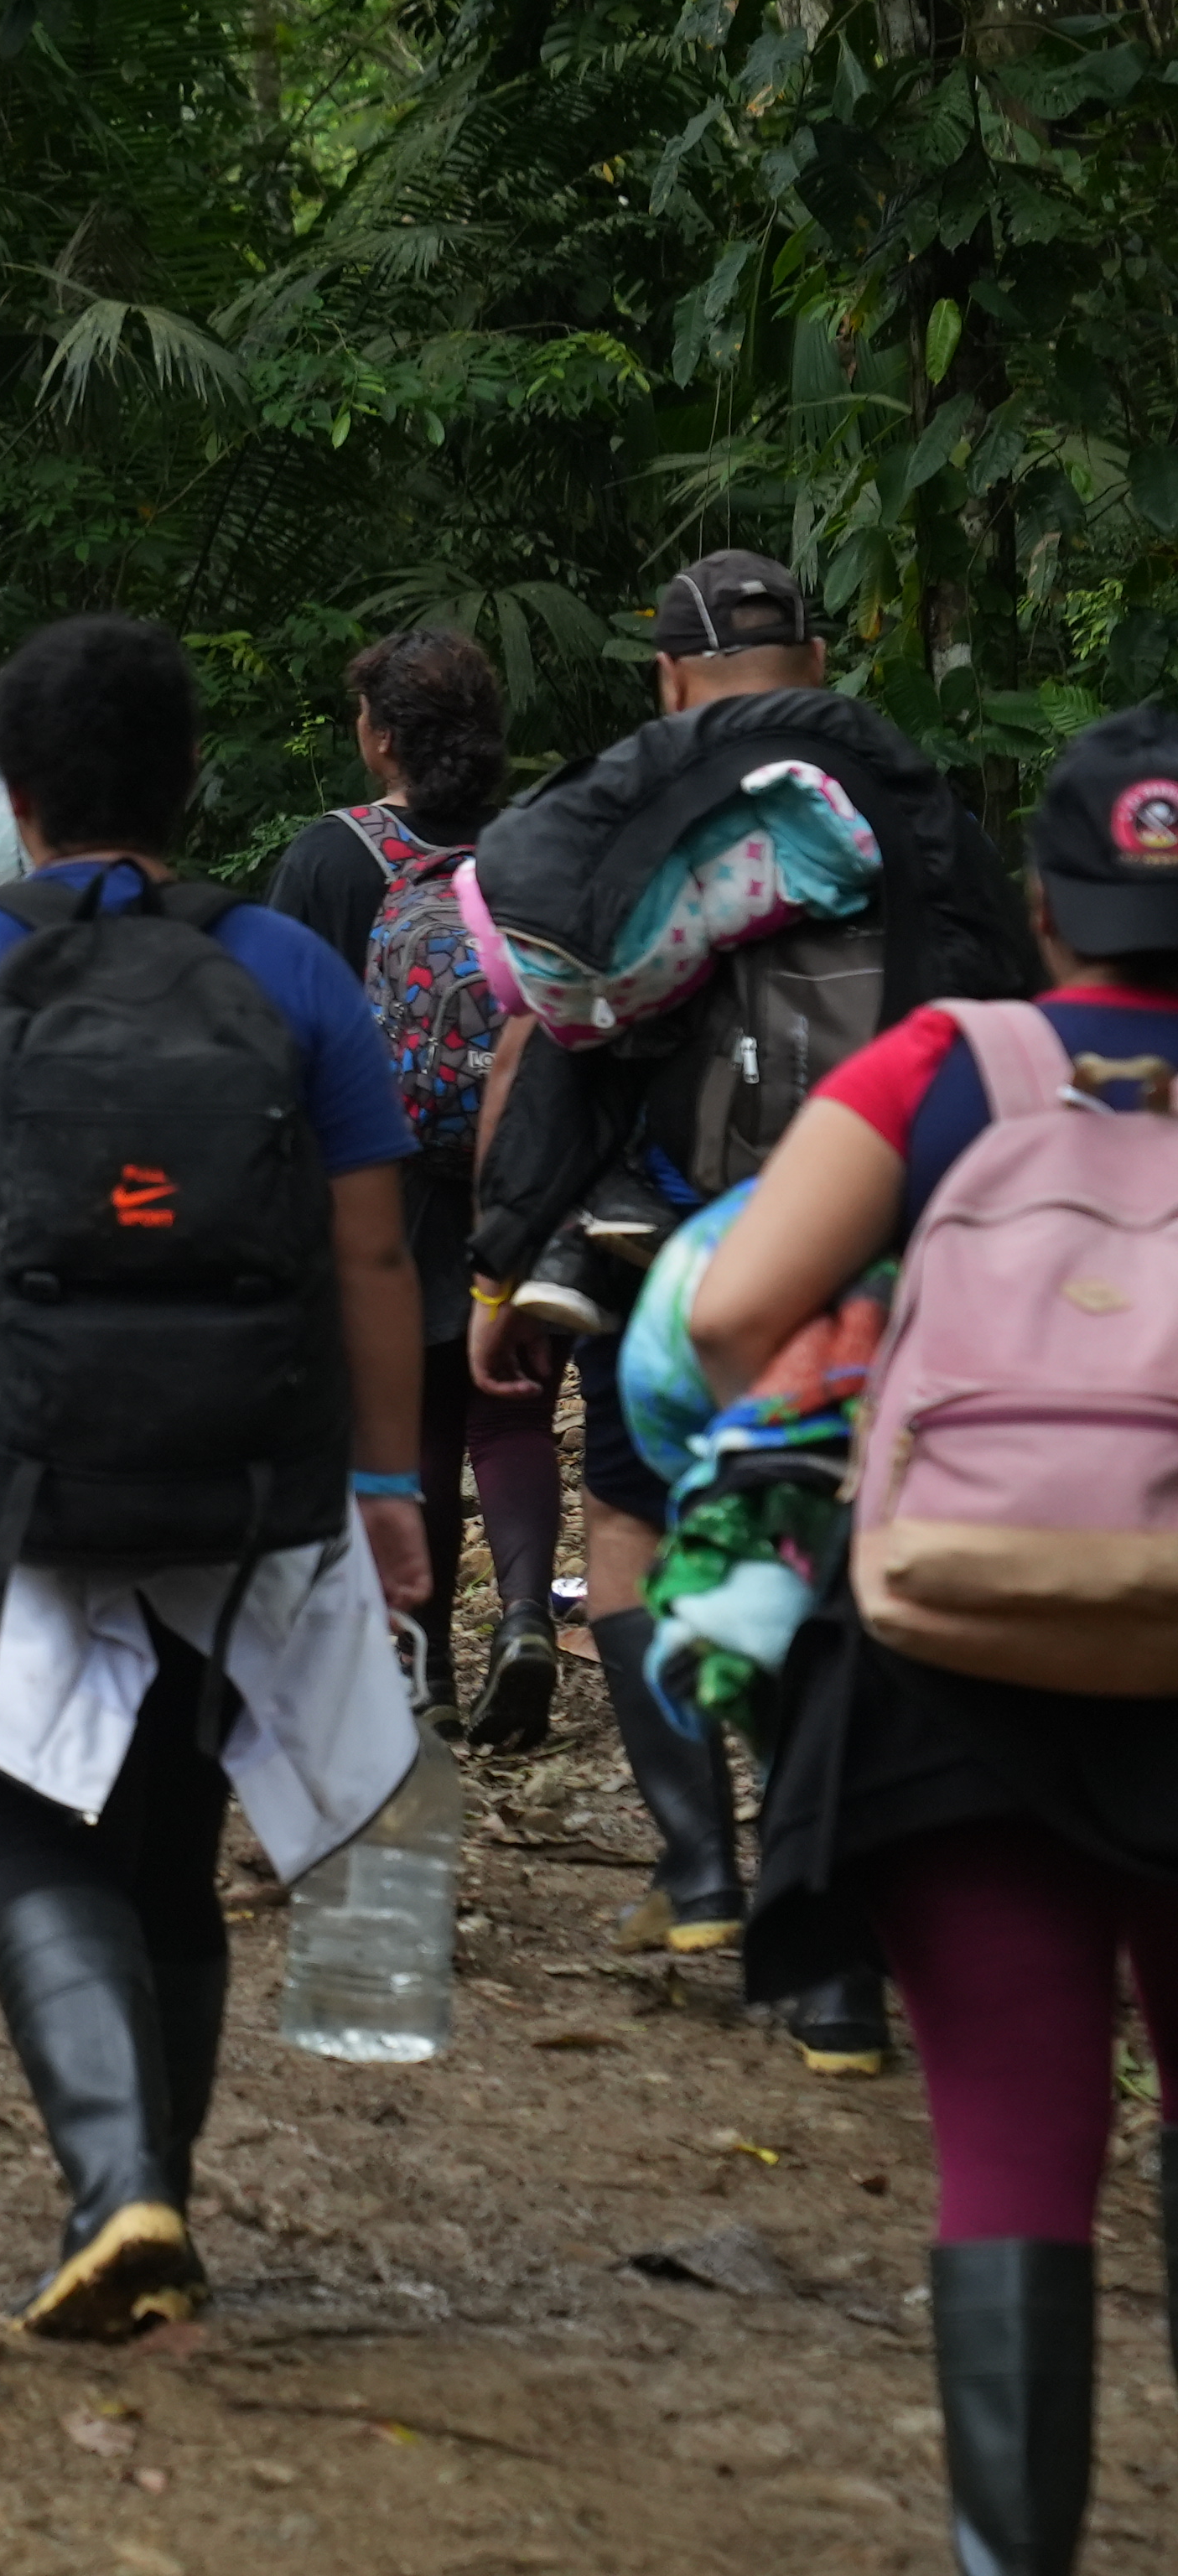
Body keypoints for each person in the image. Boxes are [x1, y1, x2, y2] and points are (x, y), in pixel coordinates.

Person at [0, 615, 432, 2338]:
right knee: (174, 1830)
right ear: (187, 783)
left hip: (3, 1434)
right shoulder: (290, 971)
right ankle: (158, 2194)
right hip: (241, 1436)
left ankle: (120, 2194)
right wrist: (393, 1487)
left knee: (27, 1803)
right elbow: (374, 1262)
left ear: (11, 801)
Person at [687, 706, 1178, 2575]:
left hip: (961, 1659)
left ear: (1049, 905)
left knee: (1012, 2142)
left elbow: (737, 1320)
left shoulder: (943, 1066)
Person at [464, 549, 1026, 2064]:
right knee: (834, 1547)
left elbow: (565, 1027)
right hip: (896, 1242)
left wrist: (507, 1253)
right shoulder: (916, 802)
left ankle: (702, 1867)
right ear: (821, 652)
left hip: (682, 1246)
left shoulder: (645, 796)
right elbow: (997, 1002)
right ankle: (838, 1944)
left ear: (665, 671)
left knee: (636, 1510)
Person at [264, 630, 563, 1744]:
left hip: (386, 1173)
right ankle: (529, 1618)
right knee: (516, 1402)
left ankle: (426, 1662)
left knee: (422, 1412)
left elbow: (283, 1028)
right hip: (531, 1161)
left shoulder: (331, 857)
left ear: (381, 737)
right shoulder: (543, 846)